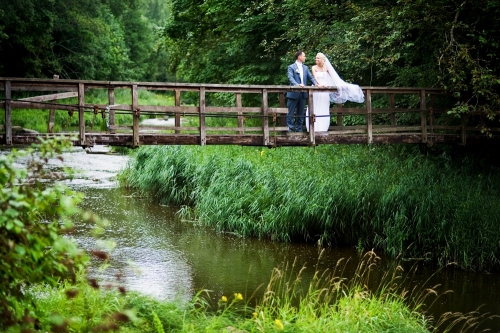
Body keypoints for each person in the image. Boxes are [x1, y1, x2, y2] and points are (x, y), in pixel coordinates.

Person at [306, 52, 365, 132]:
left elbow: (334, 77)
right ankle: (312, 128)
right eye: (316, 58)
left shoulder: (326, 67)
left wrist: (338, 86)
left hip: (325, 90)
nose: (316, 59)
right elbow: (315, 78)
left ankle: (322, 128)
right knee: (314, 107)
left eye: (318, 58)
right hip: (316, 89)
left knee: (324, 107)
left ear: (322, 59)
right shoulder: (314, 67)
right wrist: (320, 84)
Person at [286, 51, 318, 132]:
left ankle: (299, 129)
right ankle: (290, 129)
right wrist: (297, 85)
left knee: (301, 112)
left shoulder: (306, 68)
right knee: (291, 112)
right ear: (299, 57)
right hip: (293, 93)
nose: (305, 57)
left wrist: (316, 84)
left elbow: (310, 78)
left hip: (303, 93)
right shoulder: (291, 67)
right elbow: (290, 78)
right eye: (304, 56)